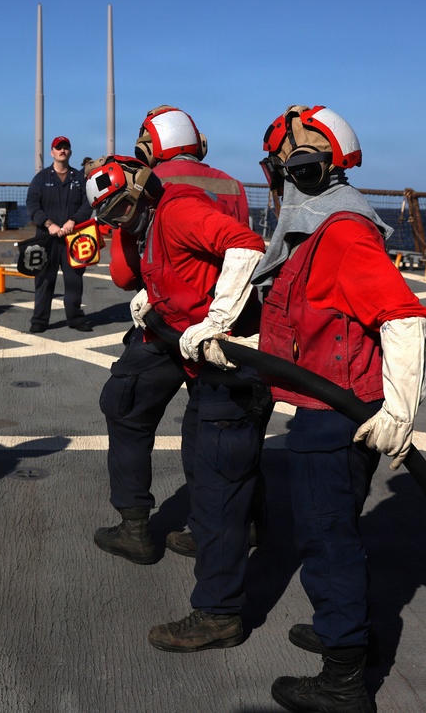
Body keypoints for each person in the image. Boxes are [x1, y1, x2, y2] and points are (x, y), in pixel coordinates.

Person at [206, 105, 426, 712]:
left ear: (301, 167)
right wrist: (241, 346)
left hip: (332, 417)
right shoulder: (322, 229)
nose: (274, 179)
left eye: (276, 167)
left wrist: (400, 412)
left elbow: (404, 316)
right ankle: (351, 634)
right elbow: (312, 323)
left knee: (326, 541)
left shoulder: (339, 234)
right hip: (329, 405)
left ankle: (344, 680)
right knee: (336, 535)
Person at [85, 155, 270, 653]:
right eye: (112, 216)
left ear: (145, 187)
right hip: (199, 360)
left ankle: (219, 613)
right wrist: (155, 303)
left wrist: (219, 319)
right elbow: (183, 273)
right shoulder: (148, 220)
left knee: (218, 479)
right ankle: (217, 535)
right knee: (205, 465)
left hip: (230, 361)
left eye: (125, 208)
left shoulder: (178, 210)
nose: (123, 220)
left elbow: (248, 246)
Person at [95, 106, 255, 565]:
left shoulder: (146, 187)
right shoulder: (232, 185)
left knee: (126, 410)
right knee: (218, 429)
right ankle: (225, 527)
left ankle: (135, 529)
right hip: (227, 330)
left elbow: (126, 276)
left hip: (169, 325)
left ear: (150, 145)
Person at [25, 135, 93, 333]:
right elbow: (32, 205)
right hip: (47, 238)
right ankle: (39, 320)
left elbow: (87, 203)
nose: (62, 151)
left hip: (74, 238)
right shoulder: (41, 179)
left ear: (70, 152)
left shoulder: (79, 178)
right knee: (44, 280)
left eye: (65, 147)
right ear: (52, 152)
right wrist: (48, 224)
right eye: (58, 148)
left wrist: (74, 221)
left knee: (74, 280)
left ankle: (75, 318)